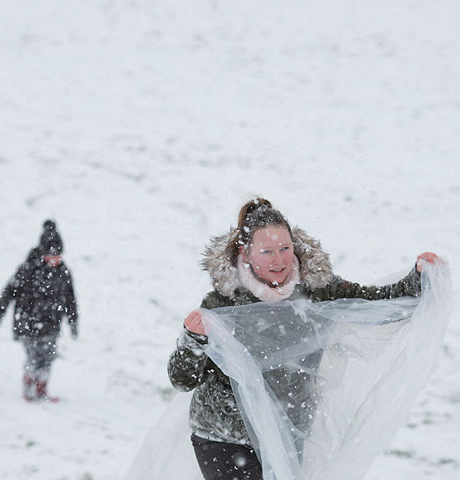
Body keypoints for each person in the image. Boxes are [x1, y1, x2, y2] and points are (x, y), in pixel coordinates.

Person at [167, 197, 439, 480]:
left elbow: (374, 304)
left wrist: (418, 279)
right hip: (225, 436)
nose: (279, 260)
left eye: (285, 248)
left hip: (287, 431)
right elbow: (182, 380)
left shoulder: (317, 290)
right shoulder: (222, 305)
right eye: (267, 251)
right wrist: (192, 339)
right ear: (245, 253)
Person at [0, 220, 78, 402]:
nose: (55, 260)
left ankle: (42, 388)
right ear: (43, 253)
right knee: (33, 356)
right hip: (29, 322)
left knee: (48, 357)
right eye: (51, 256)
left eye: (58, 256)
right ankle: (29, 389)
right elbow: (9, 291)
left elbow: (70, 298)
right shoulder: (28, 269)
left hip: (52, 322)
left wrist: (73, 320)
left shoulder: (63, 273)